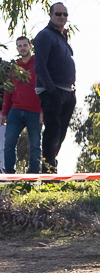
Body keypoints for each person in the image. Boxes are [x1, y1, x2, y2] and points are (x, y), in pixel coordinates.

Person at [33, 2, 77, 172]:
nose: (62, 17)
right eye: (58, 14)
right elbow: (39, 67)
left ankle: (51, 166)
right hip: (52, 91)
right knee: (52, 131)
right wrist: (51, 91)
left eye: (65, 14)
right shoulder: (44, 35)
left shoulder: (62, 37)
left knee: (61, 133)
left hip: (68, 91)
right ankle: (48, 172)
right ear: (50, 15)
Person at [3, 35, 41, 175]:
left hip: (35, 111)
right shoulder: (15, 67)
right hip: (16, 111)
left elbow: (45, 88)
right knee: (9, 143)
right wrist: (4, 113)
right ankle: (9, 175)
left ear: (30, 46)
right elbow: (8, 91)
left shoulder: (38, 64)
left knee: (35, 145)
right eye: (19, 46)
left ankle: (33, 176)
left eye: (25, 45)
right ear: (17, 48)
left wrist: (44, 111)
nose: (22, 48)